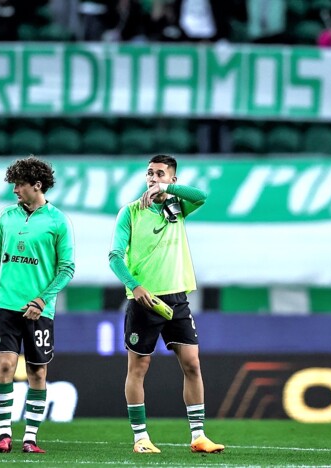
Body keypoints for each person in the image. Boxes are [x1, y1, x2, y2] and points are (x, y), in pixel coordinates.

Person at [108, 154, 225, 454]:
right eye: (149, 173)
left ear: (172, 179)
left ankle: (198, 436)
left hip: (177, 297)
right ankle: (140, 438)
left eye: (160, 174)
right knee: (139, 367)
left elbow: (202, 195)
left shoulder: (177, 206)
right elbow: (114, 257)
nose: (153, 178)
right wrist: (134, 287)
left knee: (192, 364)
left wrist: (168, 191)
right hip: (144, 299)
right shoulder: (130, 212)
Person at [0, 156, 75, 454]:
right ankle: (4, 435)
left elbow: (67, 268)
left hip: (39, 309)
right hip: (5, 303)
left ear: (37, 185)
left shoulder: (58, 221)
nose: (14, 190)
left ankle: (30, 438)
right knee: (5, 365)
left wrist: (43, 298)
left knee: (37, 373)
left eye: (19, 184)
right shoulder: (6, 217)